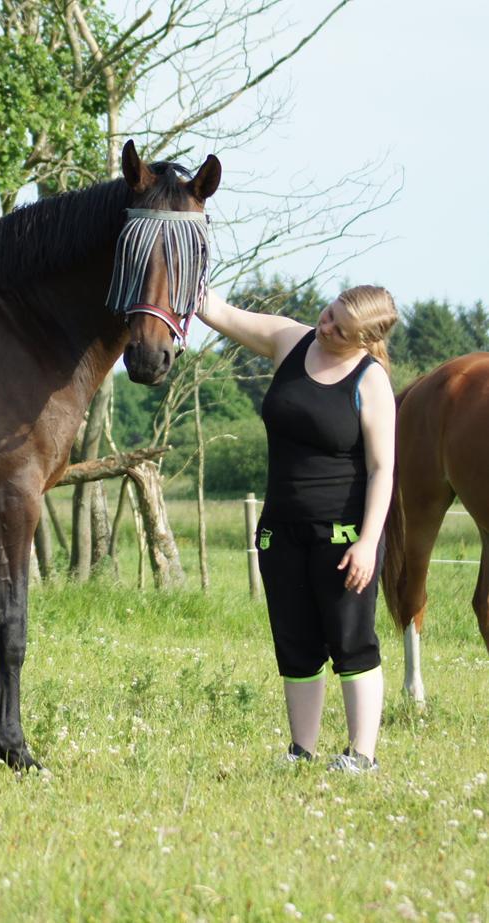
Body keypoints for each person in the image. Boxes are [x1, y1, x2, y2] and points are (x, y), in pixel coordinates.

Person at [199, 285, 398, 772]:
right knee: (294, 641)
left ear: (365, 339)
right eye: (330, 315)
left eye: (341, 330)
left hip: (346, 536)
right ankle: (301, 751)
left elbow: (381, 469)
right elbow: (216, 310)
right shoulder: (290, 340)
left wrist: (369, 543)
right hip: (280, 529)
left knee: (351, 642)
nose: (326, 328)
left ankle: (362, 755)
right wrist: (180, 251)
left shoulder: (370, 382)